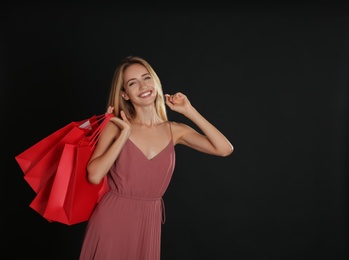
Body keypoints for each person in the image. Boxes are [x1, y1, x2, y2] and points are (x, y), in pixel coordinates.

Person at [79, 55, 234, 260]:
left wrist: (189, 110)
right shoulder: (115, 126)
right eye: (132, 83)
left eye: (146, 78)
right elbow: (94, 175)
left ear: (155, 82)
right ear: (124, 94)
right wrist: (124, 134)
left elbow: (224, 149)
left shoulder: (175, 131)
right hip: (113, 218)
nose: (143, 86)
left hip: (149, 221)